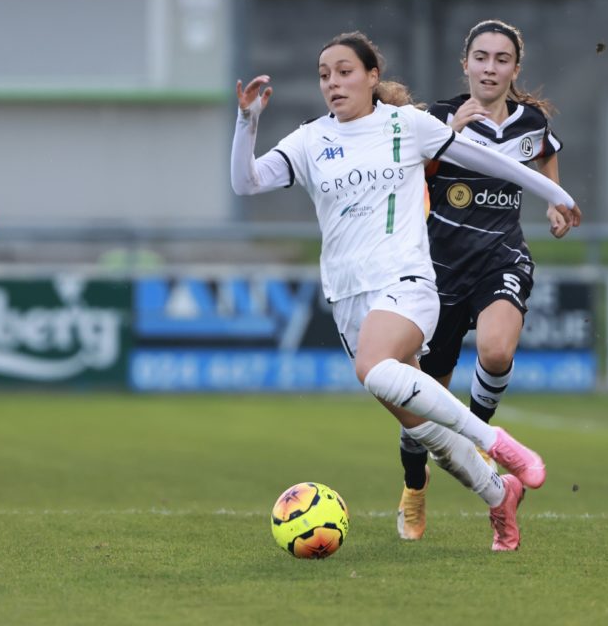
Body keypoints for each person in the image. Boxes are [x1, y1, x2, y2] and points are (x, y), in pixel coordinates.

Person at [230, 31, 582, 551]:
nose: (333, 82)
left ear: (373, 76)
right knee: (428, 432)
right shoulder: (309, 140)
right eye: (325, 74)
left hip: (408, 281)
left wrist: (556, 193)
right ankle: (499, 496)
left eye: (345, 71)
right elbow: (246, 182)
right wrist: (247, 121)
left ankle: (497, 444)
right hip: (347, 297)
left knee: (373, 366)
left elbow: (492, 162)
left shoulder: (407, 124)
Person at [396, 19, 570, 542]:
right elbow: (410, 175)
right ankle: (413, 487)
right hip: (438, 270)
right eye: (481, 57)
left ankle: (478, 439)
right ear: (464, 64)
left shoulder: (530, 121)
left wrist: (556, 202)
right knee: (420, 399)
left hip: (502, 257)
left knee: (496, 352)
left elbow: (546, 156)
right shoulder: (437, 117)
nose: (490, 68)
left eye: (501, 59)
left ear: (515, 69)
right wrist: (449, 137)